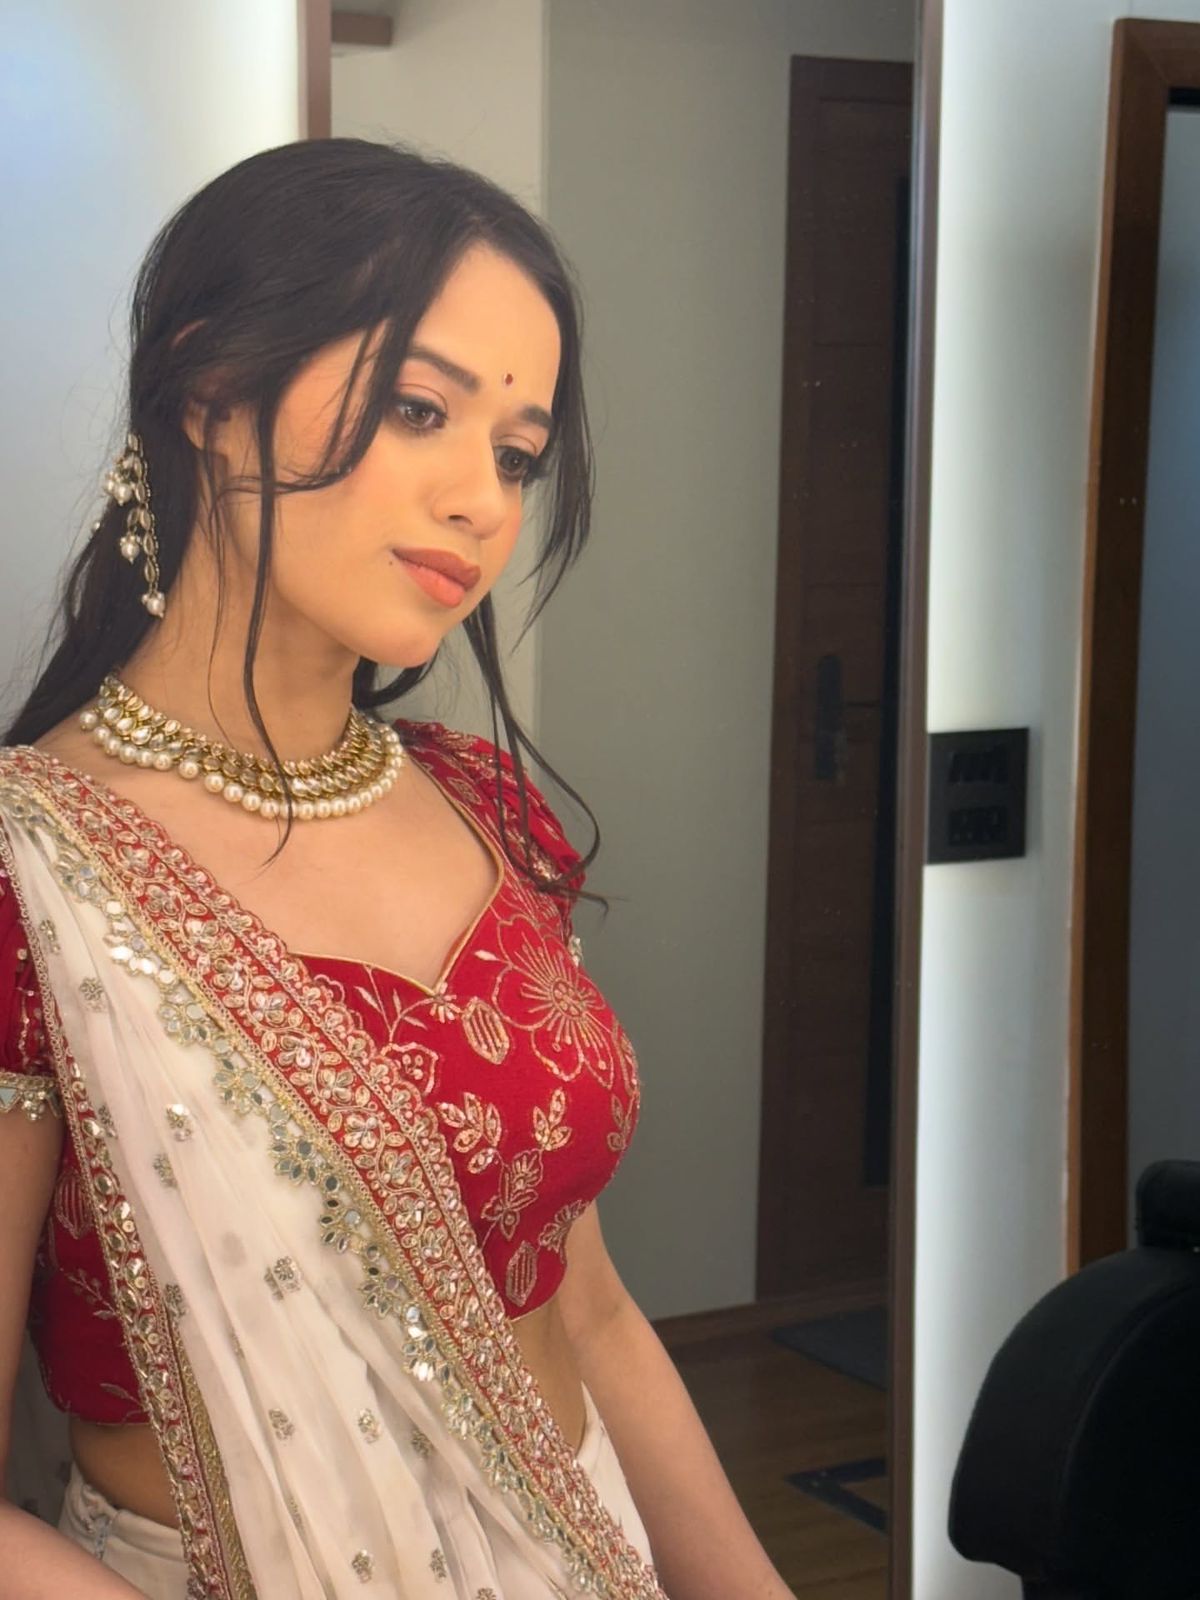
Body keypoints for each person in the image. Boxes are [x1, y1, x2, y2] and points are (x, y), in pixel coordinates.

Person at [0, 139, 795, 1600]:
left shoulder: (489, 812)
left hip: (582, 1552)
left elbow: (593, 1313)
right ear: (207, 388)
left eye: (517, 454)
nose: (484, 500)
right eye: (420, 409)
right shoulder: (28, 875)